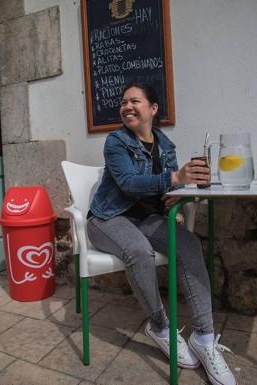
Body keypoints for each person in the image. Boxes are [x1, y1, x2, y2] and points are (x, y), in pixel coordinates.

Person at [86, 83, 237, 385]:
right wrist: (173, 177)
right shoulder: (116, 141)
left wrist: (175, 191)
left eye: (135, 101)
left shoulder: (166, 146)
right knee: (138, 251)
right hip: (107, 218)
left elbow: (168, 184)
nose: (127, 106)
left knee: (189, 245)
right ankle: (160, 327)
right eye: (124, 101)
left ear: (153, 109)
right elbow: (128, 183)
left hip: (146, 219)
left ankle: (205, 339)